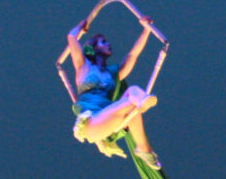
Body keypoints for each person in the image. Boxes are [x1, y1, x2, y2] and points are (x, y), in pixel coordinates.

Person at [65, 14, 161, 169]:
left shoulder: (112, 74)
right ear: (93, 48)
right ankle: (141, 103)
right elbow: (71, 37)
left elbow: (133, 55)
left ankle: (143, 149)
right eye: (103, 42)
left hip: (110, 118)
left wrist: (146, 30)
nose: (109, 44)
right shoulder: (83, 66)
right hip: (92, 122)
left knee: (133, 92)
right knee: (133, 99)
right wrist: (81, 25)